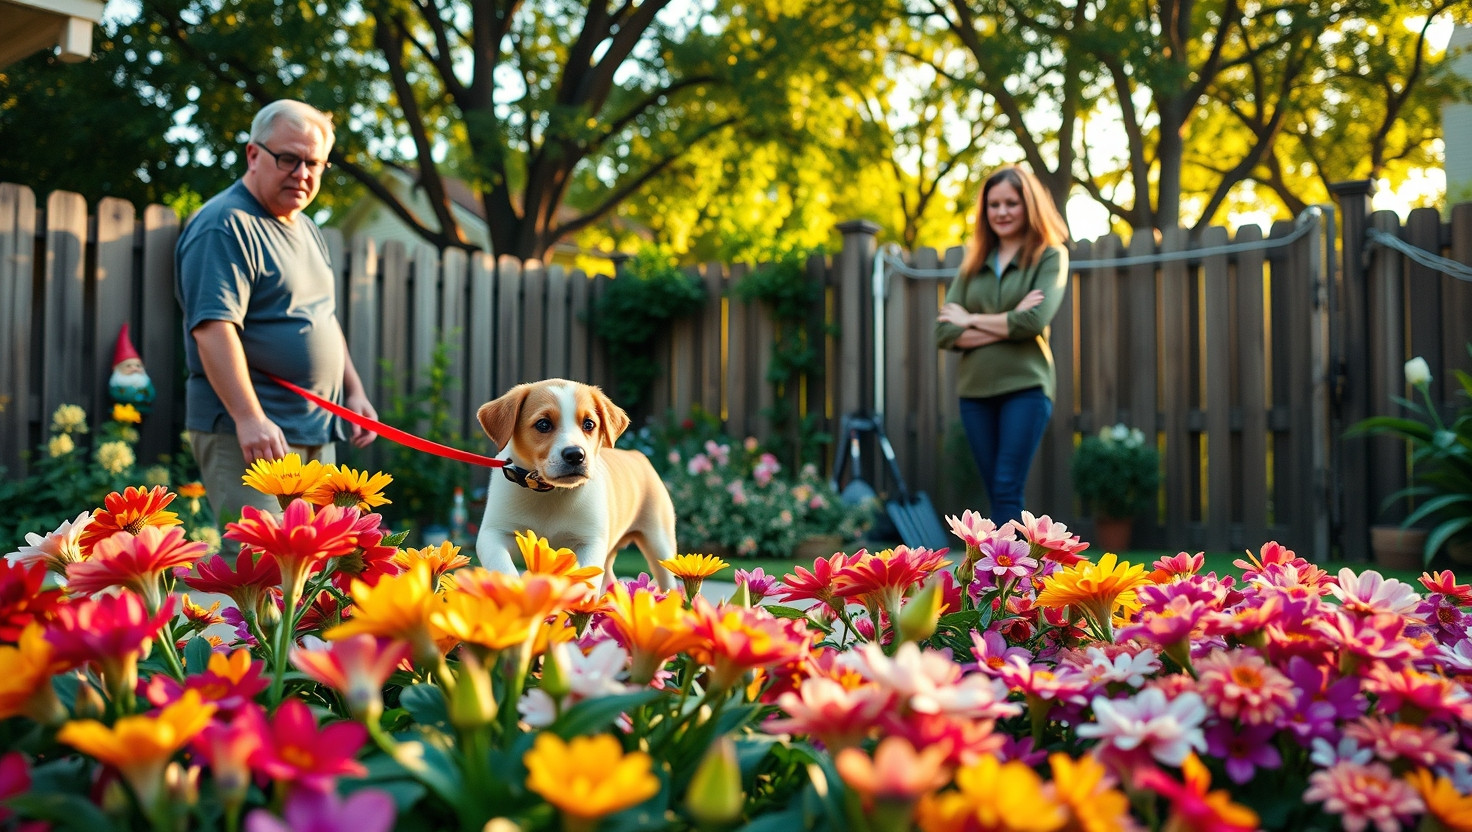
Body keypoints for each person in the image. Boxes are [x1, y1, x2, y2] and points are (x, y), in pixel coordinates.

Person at [175, 99, 377, 525]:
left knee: (315, 571)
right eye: (289, 158)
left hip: (314, 430)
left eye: (314, 163)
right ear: (254, 154)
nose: (302, 174)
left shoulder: (306, 228)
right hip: (251, 435)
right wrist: (250, 419)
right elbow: (213, 329)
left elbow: (323, 318)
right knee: (259, 572)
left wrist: (353, 392)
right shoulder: (224, 225)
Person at [935, 165, 1070, 526]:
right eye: (994, 204)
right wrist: (1009, 322)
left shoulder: (1050, 256)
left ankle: (1010, 579)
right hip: (975, 391)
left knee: (1008, 486)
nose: (1002, 212)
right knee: (995, 490)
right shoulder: (973, 262)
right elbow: (944, 335)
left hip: (1025, 386)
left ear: (1029, 205)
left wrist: (970, 320)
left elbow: (1034, 321)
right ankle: (1002, 578)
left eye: (1011, 202)